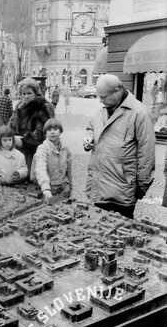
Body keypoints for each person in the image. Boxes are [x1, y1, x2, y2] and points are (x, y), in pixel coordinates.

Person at [83, 74, 155, 219]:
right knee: (96, 231)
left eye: (104, 97)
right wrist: (89, 138)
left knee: (119, 234)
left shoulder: (139, 113)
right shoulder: (101, 110)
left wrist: (141, 187)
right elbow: (91, 128)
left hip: (121, 192)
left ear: (118, 90)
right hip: (98, 187)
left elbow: (147, 154)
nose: (100, 101)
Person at [9, 77, 55, 176]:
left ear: (36, 93)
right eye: (23, 94)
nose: (26, 96)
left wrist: (24, 140)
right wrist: (12, 137)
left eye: (29, 93)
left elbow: (44, 133)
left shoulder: (43, 107)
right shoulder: (19, 107)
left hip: (36, 153)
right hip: (18, 150)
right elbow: (11, 126)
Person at [31, 118, 72, 202]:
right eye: (49, 130)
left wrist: (70, 185)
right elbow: (40, 168)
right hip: (49, 189)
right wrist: (46, 189)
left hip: (63, 189)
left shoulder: (65, 149)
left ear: (60, 131)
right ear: (45, 133)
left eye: (55, 129)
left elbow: (69, 169)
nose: (52, 132)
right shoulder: (43, 148)